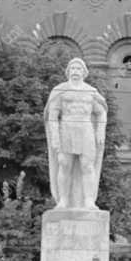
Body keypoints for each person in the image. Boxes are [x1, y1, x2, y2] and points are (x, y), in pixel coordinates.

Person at [44, 57, 108, 209]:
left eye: (78, 69)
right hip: (66, 129)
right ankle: (63, 200)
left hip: (86, 130)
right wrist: (54, 137)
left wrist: (100, 130)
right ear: (68, 72)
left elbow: (101, 112)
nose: (75, 71)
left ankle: (88, 200)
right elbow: (52, 115)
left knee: (87, 166)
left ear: (84, 72)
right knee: (64, 165)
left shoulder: (91, 92)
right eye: (72, 69)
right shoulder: (60, 91)